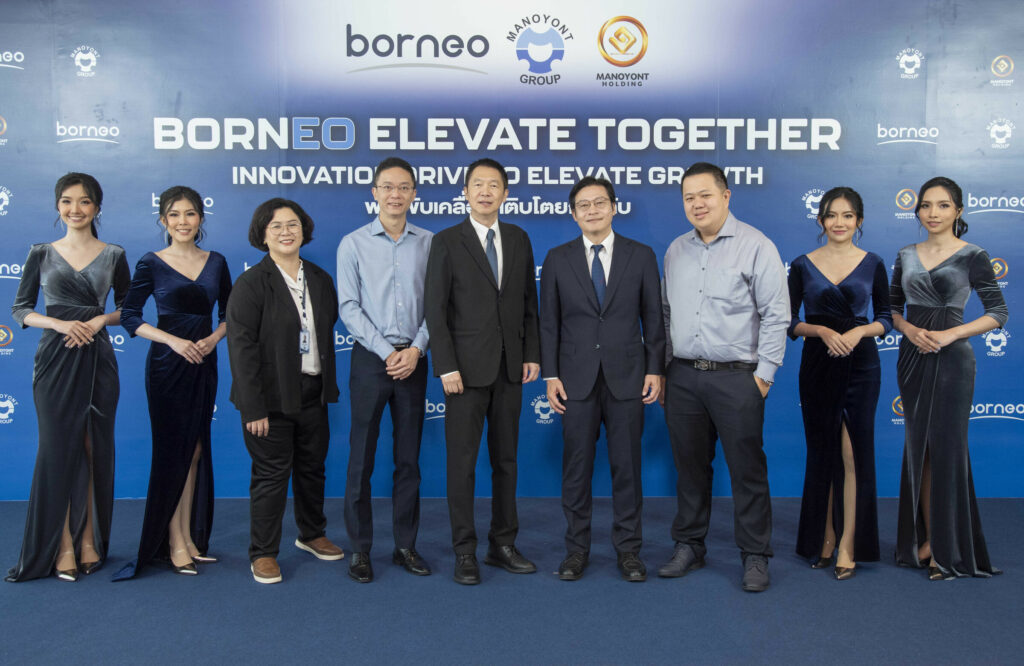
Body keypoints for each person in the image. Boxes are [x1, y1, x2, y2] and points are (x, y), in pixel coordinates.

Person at [659, 162, 789, 592]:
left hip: (738, 378)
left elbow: (776, 315)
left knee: (746, 470)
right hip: (683, 376)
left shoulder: (757, 246)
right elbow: (666, 314)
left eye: (705, 195)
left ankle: (755, 554)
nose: (697, 204)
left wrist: (763, 377)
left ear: (726, 196)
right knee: (690, 468)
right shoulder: (676, 250)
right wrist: (666, 369)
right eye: (688, 197)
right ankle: (689, 545)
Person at [7, 173, 130, 582]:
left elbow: (128, 311)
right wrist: (59, 324)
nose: (75, 209)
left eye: (84, 201)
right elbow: (21, 309)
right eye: (66, 201)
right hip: (55, 359)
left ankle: (89, 539)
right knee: (57, 451)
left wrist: (99, 320)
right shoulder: (41, 253)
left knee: (94, 448)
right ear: (57, 206)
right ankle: (61, 545)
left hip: (98, 359)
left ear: (97, 207)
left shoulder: (114, 254)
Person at [539, 177, 664, 582]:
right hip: (574, 380)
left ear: (613, 207)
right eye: (583, 205)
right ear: (573, 214)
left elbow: (653, 318)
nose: (592, 210)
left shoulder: (640, 255)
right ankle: (576, 550)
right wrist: (551, 374)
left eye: (599, 203)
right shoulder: (557, 259)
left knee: (627, 468)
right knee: (576, 470)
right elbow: (549, 323)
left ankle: (629, 551)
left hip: (628, 377)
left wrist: (655, 368)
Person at [424, 158, 541, 585]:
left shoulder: (519, 238)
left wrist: (532, 354)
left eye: (494, 185)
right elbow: (435, 308)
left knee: (506, 461)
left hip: (510, 369)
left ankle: (502, 544)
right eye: (478, 184)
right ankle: (464, 550)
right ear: (466, 193)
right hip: (464, 374)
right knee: (463, 465)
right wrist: (446, 366)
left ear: (505, 194)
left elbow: (528, 302)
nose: (486, 191)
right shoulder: (446, 241)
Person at [890, 176, 1008, 580]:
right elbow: (892, 309)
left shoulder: (973, 255)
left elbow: (998, 313)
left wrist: (950, 334)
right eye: (926, 205)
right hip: (912, 357)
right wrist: (909, 330)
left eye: (943, 205)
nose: (933, 213)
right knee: (919, 449)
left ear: (958, 210)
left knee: (947, 450)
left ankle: (946, 548)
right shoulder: (906, 254)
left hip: (953, 360)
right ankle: (926, 541)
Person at [112, 186, 231, 579]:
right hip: (167, 366)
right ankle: (174, 541)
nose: (183, 221)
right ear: (163, 220)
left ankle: (188, 537)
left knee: (195, 450)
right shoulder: (151, 262)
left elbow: (230, 313)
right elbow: (130, 316)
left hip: (204, 364)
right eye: (175, 215)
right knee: (172, 452)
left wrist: (213, 339)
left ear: (201, 218)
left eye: (190, 214)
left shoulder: (217, 262)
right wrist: (173, 341)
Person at [226, 198, 343, 584]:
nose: (286, 232)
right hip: (269, 399)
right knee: (271, 476)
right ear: (262, 235)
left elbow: (325, 330)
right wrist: (252, 408)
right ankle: (263, 552)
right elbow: (241, 350)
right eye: (275, 226)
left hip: (313, 391)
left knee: (312, 469)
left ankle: (312, 534)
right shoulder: (250, 284)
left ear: (304, 230)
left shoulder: (321, 280)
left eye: (293, 224)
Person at [337, 157, 433, 583]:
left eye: (404, 187)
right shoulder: (353, 244)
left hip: (415, 360)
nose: (396, 194)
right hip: (370, 360)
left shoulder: (430, 243)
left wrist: (416, 349)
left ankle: (405, 545)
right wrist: (385, 351)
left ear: (414, 194)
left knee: (408, 459)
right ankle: (360, 549)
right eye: (388, 187)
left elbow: (438, 305)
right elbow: (348, 307)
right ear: (374, 193)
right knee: (361, 458)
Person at [787, 187, 891, 580]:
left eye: (848, 216)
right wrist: (820, 331)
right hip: (818, 364)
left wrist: (859, 332)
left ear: (859, 221)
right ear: (820, 220)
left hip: (861, 366)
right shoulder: (802, 264)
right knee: (822, 453)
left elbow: (886, 317)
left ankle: (849, 542)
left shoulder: (873, 263)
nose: (839, 222)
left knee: (852, 455)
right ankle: (825, 537)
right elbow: (787, 321)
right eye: (831, 215)